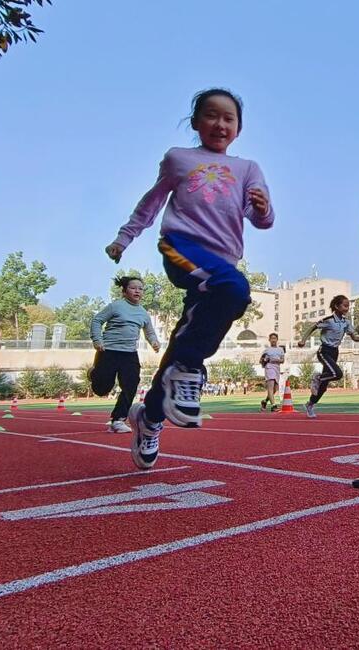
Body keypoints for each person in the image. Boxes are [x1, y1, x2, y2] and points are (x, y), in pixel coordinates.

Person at [105, 88, 273, 469]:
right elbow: (151, 202)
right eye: (211, 115)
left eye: (229, 118)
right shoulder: (178, 159)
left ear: (238, 129)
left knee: (187, 336)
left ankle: (148, 418)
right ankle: (191, 369)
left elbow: (261, 219)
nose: (220, 124)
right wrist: (123, 238)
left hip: (220, 263)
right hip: (180, 247)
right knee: (235, 290)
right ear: (196, 122)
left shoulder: (248, 168)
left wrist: (263, 209)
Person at [89, 276, 161, 433]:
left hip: (129, 353)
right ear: (124, 291)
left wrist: (154, 342)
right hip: (108, 351)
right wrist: (97, 340)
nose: (137, 291)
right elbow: (97, 320)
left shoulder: (143, 313)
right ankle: (94, 373)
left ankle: (118, 419)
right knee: (102, 389)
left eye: (140, 289)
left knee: (131, 383)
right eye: (133, 288)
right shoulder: (116, 306)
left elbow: (149, 332)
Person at [297, 295, 359, 418]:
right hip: (324, 351)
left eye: (348, 306)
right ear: (336, 306)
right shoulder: (329, 321)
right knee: (337, 374)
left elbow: (354, 338)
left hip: (334, 352)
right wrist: (303, 340)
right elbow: (312, 327)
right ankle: (318, 377)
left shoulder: (346, 323)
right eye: (345, 305)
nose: (347, 308)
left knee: (324, 387)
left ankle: (310, 404)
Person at [259, 333, 285, 411]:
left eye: (275, 338)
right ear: (269, 340)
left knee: (275, 389)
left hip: (277, 368)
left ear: (277, 339)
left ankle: (264, 401)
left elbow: (282, 360)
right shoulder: (266, 350)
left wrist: (274, 360)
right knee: (270, 386)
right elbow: (261, 360)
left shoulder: (280, 350)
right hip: (269, 367)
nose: (273, 340)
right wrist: (264, 360)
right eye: (272, 338)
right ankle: (273, 406)